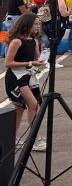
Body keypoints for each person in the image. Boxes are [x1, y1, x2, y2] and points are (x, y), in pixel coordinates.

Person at [4, 13, 46, 151]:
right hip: (16, 77)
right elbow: (8, 63)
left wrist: (41, 58)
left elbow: (36, 59)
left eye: (39, 24)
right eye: (35, 24)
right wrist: (30, 63)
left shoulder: (34, 41)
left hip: (28, 75)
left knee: (20, 109)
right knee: (33, 104)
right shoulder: (16, 41)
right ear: (26, 24)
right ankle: (35, 139)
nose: (38, 26)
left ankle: (12, 138)